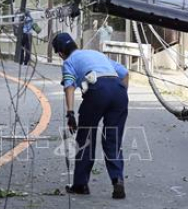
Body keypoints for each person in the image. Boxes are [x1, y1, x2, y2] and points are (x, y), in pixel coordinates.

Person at [51, 32, 129, 200]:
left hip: (97, 91)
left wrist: (70, 113)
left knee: (86, 137)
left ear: (60, 53)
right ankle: (117, 180)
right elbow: (124, 73)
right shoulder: (95, 53)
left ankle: (80, 184)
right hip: (119, 91)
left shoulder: (69, 62)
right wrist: (120, 95)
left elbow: (69, 86)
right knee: (112, 139)